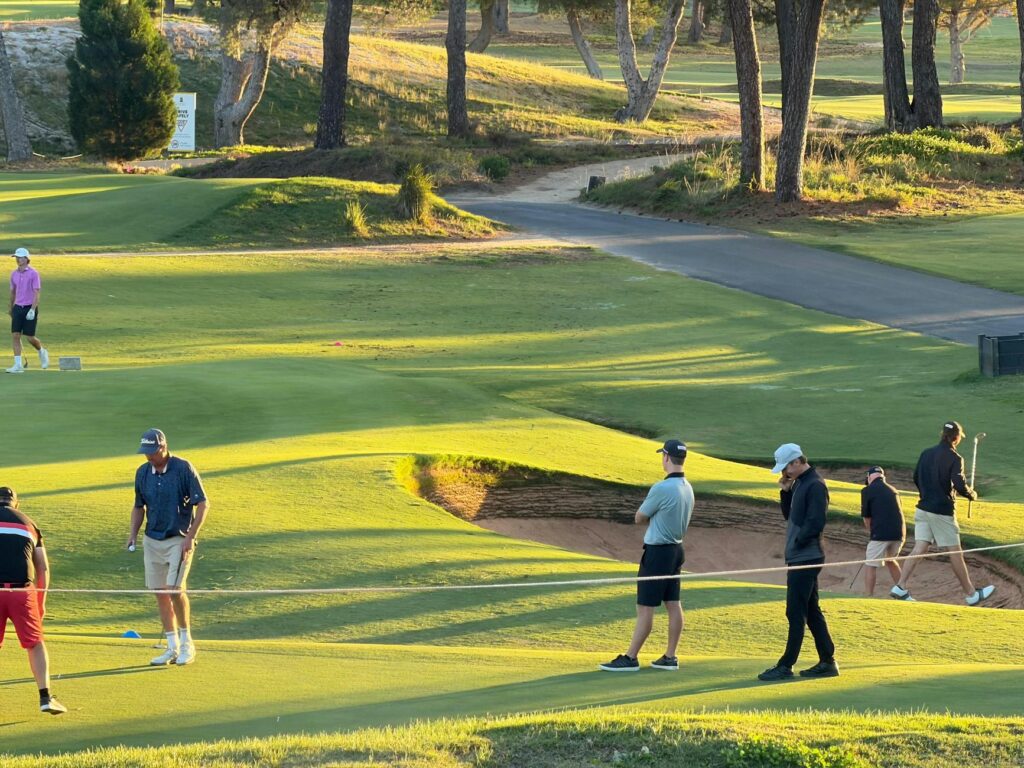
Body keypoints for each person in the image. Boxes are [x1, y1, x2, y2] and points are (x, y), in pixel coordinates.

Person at [600, 439, 693, 672]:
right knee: (673, 603)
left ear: (666, 457)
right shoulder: (687, 487)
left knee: (645, 607)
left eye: (662, 455)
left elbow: (639, 517)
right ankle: (670, 656)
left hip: (658, 552)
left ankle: (630, 658)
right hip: (676, 550)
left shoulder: (662, 488)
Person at [127, 429, 209, 666]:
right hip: (152, 539)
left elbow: (203, 504)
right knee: (160, 593)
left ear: (163, 447)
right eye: (145, 453)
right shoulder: (143, 473)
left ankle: (187, 644)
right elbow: (138, 506)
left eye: (152, 452)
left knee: (175, 590)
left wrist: (191, 536)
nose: (148, 457)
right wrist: (132, 534)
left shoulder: (183, 468)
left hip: (179, 538)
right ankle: (172, 647)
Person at [891, 421, 995, 606]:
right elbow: (959, 484)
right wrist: (971, 494)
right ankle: (971, 594)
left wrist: (927, 494)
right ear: (956, 437)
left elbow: (916, 477)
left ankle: (900, 586)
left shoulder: (926, 453)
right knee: (955, 552)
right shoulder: (955, 458)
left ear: (942, 434)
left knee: (920, 547)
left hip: (922, 508)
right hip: (942, 511)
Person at [758, 443, 838, 682]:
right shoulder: (800, 483)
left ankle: (786, 664)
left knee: (795, 611)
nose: (784, 473)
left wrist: (799, 542)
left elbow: (816, 522)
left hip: (807, 557)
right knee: (811, 611)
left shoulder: (815, 485)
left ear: (797, 462)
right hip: (800, 555)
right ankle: (828, 661)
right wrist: (785, 491)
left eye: (786, 468)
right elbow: (790, 516)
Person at [0, 487, 67, 714]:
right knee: (35, 643)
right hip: (22, 591)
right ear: (16, 504)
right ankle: (46, 697)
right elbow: (43, 567)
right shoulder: (29, 524)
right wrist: (41, 601)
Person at [860, 466, 905, 597]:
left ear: (869, 477)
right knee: (891, 560)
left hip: (880, 534)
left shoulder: (867, 490)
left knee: (870, 564)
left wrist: (871, 532)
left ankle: (869, 596)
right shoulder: (893, 490)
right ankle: (903, 591)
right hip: (899, 533)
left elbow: (866, 517)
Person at [6, 247, 49, 374]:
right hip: (18, 307)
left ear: (26, 259)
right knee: (15, 335)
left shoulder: (33, 273)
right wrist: (11, 308)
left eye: (20, 257)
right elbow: (13, 292)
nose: (18, 260)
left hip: (30, 307)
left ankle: (42, 351)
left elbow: (37, 293)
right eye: (17, 257)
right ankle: (18, 365)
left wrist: (33, 309)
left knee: (30, 337)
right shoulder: (13, 274)